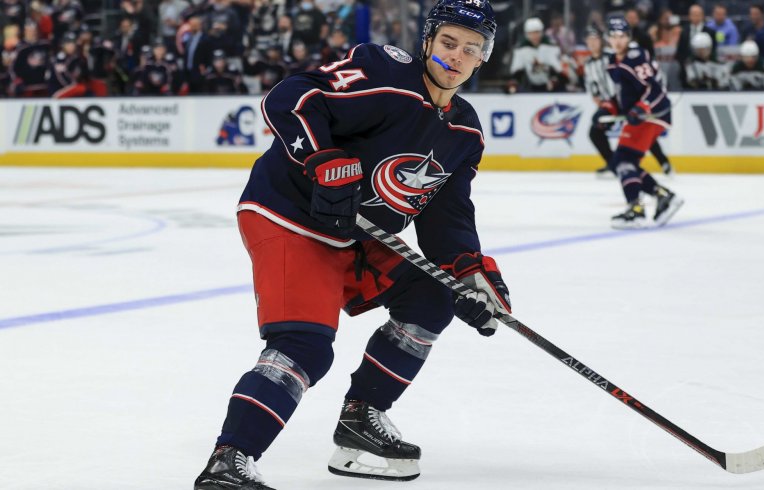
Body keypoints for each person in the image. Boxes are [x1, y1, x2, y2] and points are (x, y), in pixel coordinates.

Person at [194, 0, 511, 488]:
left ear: (483, 57)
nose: (456, 57)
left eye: (471, 49)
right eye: (448, 43)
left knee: (430, 297)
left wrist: (470, 271)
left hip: (355, 233)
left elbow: (446, 216)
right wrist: (322, 158)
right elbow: (291, 97)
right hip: (289, 215)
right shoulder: (384, 71)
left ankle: (360, 420)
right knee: (305, 345)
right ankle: (228, 460)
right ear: (427, 41)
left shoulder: (465, 131)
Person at [603, 16, 683, 229]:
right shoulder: (613, 61)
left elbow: (654, 89)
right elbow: (624, 95)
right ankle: (663, 196)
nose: (618, 41)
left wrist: (642, 107)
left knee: (623, 161)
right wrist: (608, 108)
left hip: (653, 114)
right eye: (613, 36)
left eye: (622, 36)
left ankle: (636, 210)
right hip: (643, 115)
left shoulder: (635, 57)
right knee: (622, 162)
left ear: (629, 37)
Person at [507, 17, 565, 92]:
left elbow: (558, 70)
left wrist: (554, 80)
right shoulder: (521, 49)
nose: (534, 36)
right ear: (527, 34)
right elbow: (517, 72)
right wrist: (513, 83)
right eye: (531, 33)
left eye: (537, 32)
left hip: (551, 87)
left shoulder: (551, 46)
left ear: (541, 32)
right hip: (530, 87)